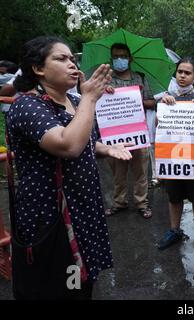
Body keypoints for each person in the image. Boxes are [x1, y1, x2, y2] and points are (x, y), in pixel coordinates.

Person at [6, 36, 132, 299]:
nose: (72, 64)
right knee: (57, 288)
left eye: (73, 59)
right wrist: (90, 99)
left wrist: (106, 148)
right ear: (38, 69)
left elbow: (84, 138)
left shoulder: (74, 100)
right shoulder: (28, 106)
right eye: (61, 59)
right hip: (51, 215)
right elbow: (68, 144)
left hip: (83, 208)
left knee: (82, 284)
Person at [156, 57, 194, 255]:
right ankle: (174, 230)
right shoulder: (167, 97)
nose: (182, 75)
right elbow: (158, 126)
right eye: (180, 71)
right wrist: (163, 107)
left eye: (187, 73)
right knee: (174, 197)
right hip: (172, 157)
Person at [105, 43, 154, 219]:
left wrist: (136, 99)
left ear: (130, 58)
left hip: (138, 133)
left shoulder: (140, 78)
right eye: (116, 56)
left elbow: (151, 102)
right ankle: (119, 202)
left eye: (123, 56)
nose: (120, 59)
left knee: (140, 172)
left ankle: (142, 203)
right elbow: (95, 101)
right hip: (115, 136)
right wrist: (104, 93)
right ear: (111, 59)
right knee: (118, 173)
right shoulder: (105, 79)